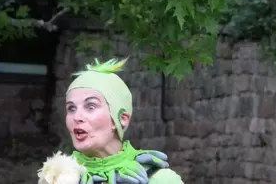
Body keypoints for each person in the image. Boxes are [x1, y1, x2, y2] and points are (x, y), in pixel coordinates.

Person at [38, 58, 183, 184]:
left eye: (91, 106)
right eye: (71, 108)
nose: (77, 117)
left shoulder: (157, 178)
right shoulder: (58, 177)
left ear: (121, 119)